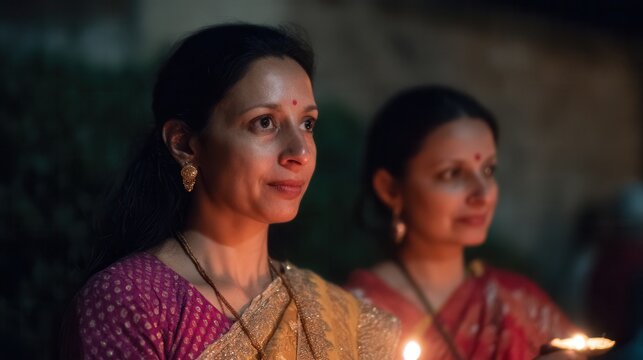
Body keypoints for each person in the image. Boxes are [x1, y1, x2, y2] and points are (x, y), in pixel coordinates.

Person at [64, 24, 399, 359]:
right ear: (184, 144)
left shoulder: (341, 317)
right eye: (264, 122)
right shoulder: (132, 301)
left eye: (307, 124)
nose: (300, 152)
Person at [345, 86, 583, 360]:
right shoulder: (354, 315)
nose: (483, 194)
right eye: (452, 174)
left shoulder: (518, 303)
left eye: (488, 170)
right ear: (390, 189)